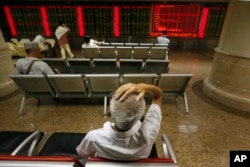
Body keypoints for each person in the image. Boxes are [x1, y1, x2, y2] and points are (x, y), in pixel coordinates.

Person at [76, 83, 162, 163]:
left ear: (109, 112)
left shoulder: (93, 137)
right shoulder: (149, 133)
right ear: (139, 116)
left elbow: (83, 153)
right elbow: (158, 95)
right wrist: (143, 86)